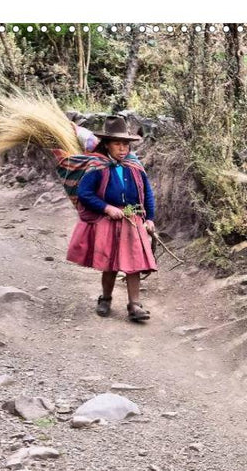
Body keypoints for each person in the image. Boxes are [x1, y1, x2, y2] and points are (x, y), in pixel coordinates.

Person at [66, 115, 158, 322]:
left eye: (125, 144)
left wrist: (149, 218)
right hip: (110, 222)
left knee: (134, 264)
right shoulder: (97, 166)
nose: (123, 148)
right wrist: (106, 208)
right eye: (117, 144)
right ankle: (106, 298)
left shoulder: (134, 166)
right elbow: (85, 194)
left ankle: (134, 305)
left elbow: (148, 193)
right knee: (111, 264)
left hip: (132, 220)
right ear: (107, 145)